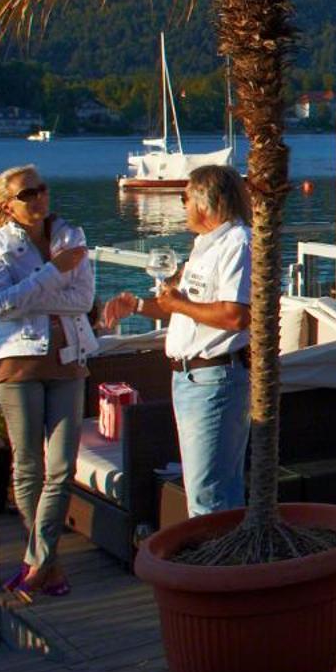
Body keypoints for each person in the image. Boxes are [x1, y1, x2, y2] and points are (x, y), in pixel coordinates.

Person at [0, 165, 96, 600]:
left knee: (62, 468)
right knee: (28, 466)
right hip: (19, 363)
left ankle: (36, 561)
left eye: (42, 189)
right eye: (28, 193)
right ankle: (50, 563)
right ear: (7, 205)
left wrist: (34, 289)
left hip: (68, 359)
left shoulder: (71, 237)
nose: (39, 198)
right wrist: (52, 274)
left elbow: (83, 300)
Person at [102, 165, 252, 515]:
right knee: (211, 487)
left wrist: (180, 303)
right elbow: (185, 309)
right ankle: (228, 559)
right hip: (190, 378)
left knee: (206, 492)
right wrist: (138, 306)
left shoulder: (237, 243)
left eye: (184, 197)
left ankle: (215, 567)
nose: (181, 205)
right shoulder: (204, 245)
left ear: (206, 202)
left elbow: (235, 315)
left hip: (214, 378)